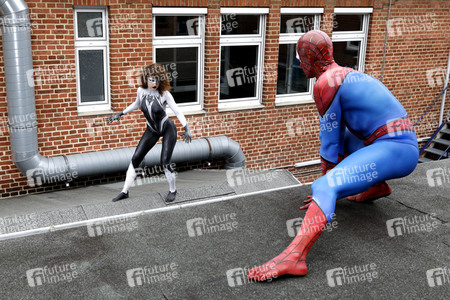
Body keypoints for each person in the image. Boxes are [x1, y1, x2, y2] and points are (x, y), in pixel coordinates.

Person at [247, 30, 418, 281]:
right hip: (395, 141)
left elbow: (329, 144)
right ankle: (377, 187)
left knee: (326, 184)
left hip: (396, 148)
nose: (298, 63)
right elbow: (339, 139)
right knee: (342, 156)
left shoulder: (325, 82)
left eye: (300, 57)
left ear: (308, 59)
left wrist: (326, 189)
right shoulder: (345, 74)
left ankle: (294, 258)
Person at [108, 63, 191, 203]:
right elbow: (136, 104)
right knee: (135, 158)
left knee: (165, 161)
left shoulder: (165, 94)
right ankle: (124, 191)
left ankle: (172, 190)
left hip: (167, 128)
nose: (155, 83)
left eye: (157, 80)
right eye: (152, 80)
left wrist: (186, 127)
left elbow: (177, 110)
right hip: (151, 129)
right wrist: (121, 113)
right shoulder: (141, 91)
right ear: (146, 79)